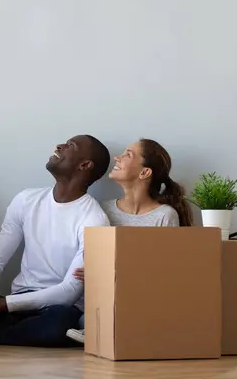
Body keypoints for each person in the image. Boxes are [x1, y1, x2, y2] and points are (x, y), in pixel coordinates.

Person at [0, 135, 111, 347]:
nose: (59, 146)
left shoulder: (94, 219)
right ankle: (0, 333)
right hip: (19, 300)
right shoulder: (26, 200)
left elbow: (69, 291)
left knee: (57, 325)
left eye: (71, 145)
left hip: (54, 307)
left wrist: (5, 304)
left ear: (84, 165)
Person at [66, 138, 193, 344]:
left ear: (145, 172)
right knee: (84, 319)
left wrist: (114, 274)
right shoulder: (102, 210)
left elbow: (164, 274)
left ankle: (111, 332)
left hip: (141, 300)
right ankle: (108, 331)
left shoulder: (165, 216)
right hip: (100, 301)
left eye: (128, 154)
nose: (118, 157)